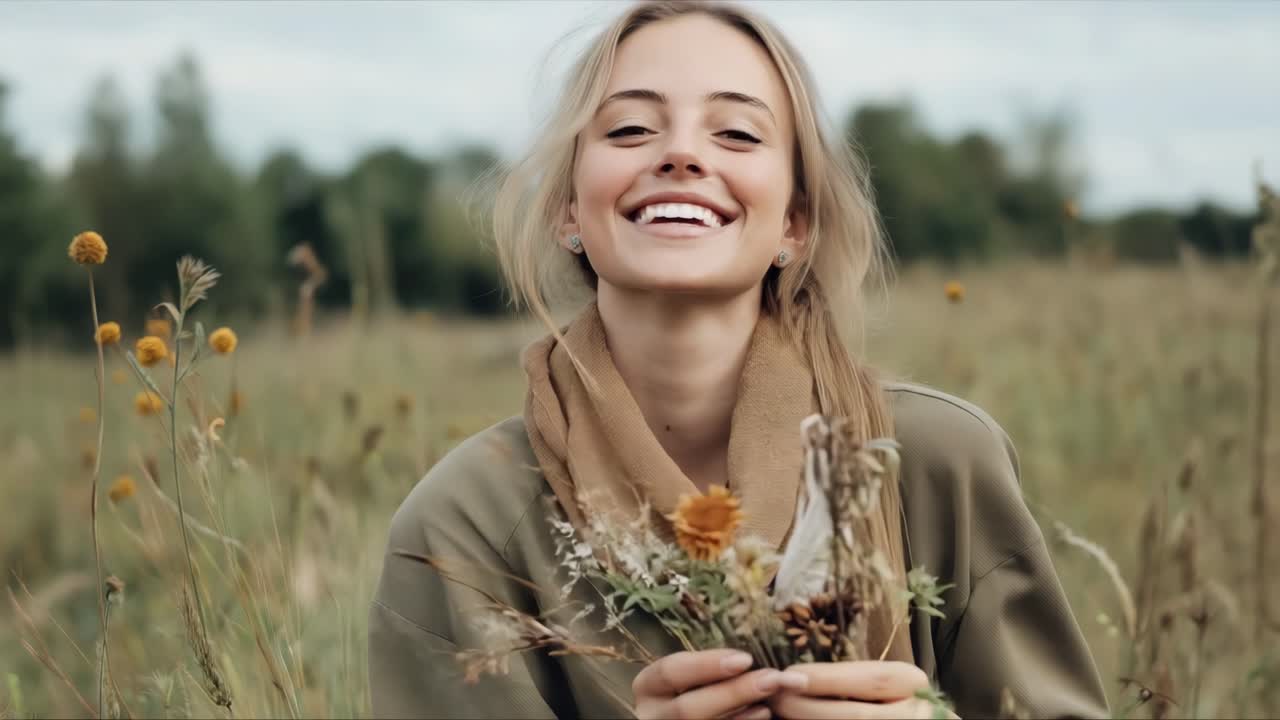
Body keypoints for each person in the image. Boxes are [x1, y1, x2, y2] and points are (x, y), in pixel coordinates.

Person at [368, 2, 1108, 718]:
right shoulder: (464, 525)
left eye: (737, 134)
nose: (681, 154)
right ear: (568, 209)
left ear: (795, 222)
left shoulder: (938, 462)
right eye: (629, 129)